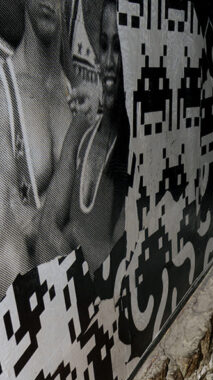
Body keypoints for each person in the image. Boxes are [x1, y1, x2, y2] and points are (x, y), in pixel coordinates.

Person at [37, 0, 129, 272]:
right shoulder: (81, 134)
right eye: (104, 45)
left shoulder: (136, 155)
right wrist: (82, 251)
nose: (108, 62)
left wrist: (74, 232)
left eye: (120, 49)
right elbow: (44, 233)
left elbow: (115, 274)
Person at [0, 0, 72, 293]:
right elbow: (5, 238)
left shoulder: (80, 99)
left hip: (82, 304)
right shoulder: (4, 91)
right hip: (27, 311)